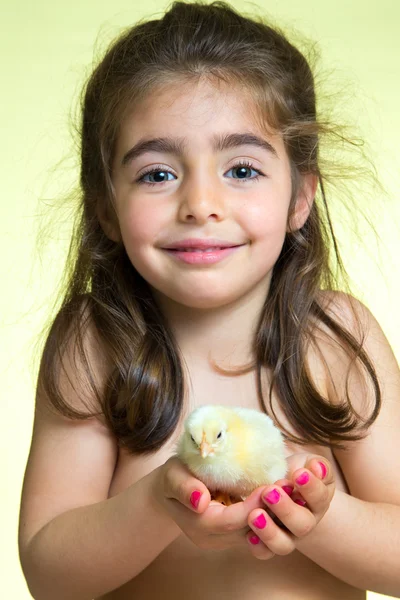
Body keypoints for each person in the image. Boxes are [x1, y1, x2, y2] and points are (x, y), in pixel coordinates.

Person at [18, 2, 400, 599]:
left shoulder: (335, 338)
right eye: (157, 174)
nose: (201, 202)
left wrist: (316, 518)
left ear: (300, 197)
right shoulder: (96, 343)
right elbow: (48, 571)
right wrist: (156, 501)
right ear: (105, 206)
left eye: (242, 169)